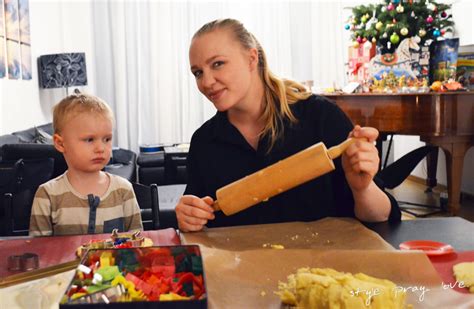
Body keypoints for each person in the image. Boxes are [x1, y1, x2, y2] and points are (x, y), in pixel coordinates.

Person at [176, 18, 401, 232]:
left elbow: (381, 216)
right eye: (198, 72)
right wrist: (189, 217)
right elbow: (199, 221)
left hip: (325, 269)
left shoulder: (319, 117)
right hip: (242, 270)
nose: (206, 82)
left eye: (218, 64)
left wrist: (362, 189)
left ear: (251, 59)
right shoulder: (205, 142)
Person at [29, 93, 143, 236]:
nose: (101, 148)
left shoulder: (123, 189)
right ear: (60, 143)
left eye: (106, 139)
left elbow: (137, 241)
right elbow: (41, 252)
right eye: (89, 140)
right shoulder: (47, 195)